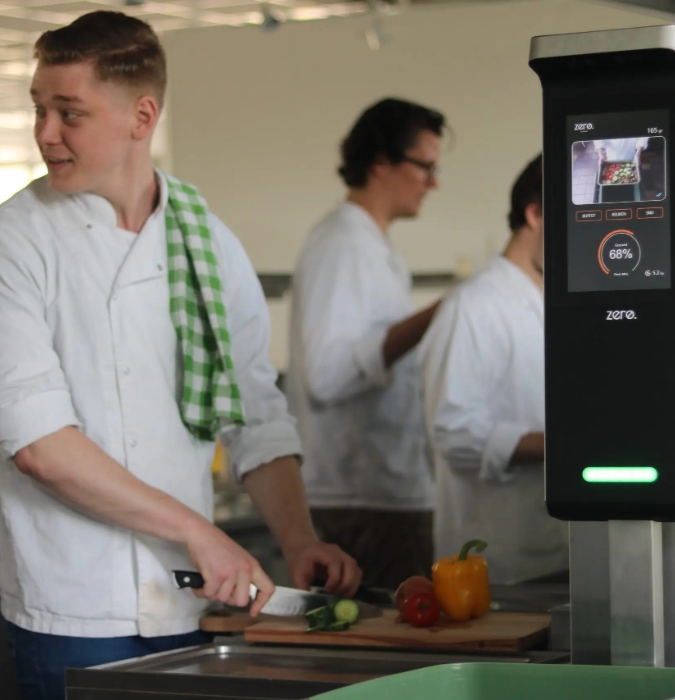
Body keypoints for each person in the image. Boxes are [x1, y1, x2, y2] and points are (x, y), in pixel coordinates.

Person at [0, 12, 360, 700]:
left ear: (142, 116)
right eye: (39, 110)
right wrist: (201, 532)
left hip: (191, 603)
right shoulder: (16, 242)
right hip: (73, 605)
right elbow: (40, 446)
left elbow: (254, 408)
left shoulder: (206, 237)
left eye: (68, 113)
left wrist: (297, 539)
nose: (45, 133)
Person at [286, 98, 446, 590]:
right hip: (361, 501)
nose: (433, 183)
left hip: (381, 495)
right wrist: (438, 315)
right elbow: (328, 376)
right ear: (380, 162)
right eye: (425, 167)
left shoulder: (372, 245)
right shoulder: (343, 243)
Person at [420, 154, 568, 585]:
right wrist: (566, 446)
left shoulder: (549, 304)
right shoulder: (474, 305)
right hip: (497, 565)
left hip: (560, 555)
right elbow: (454, 433)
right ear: (535, 213)